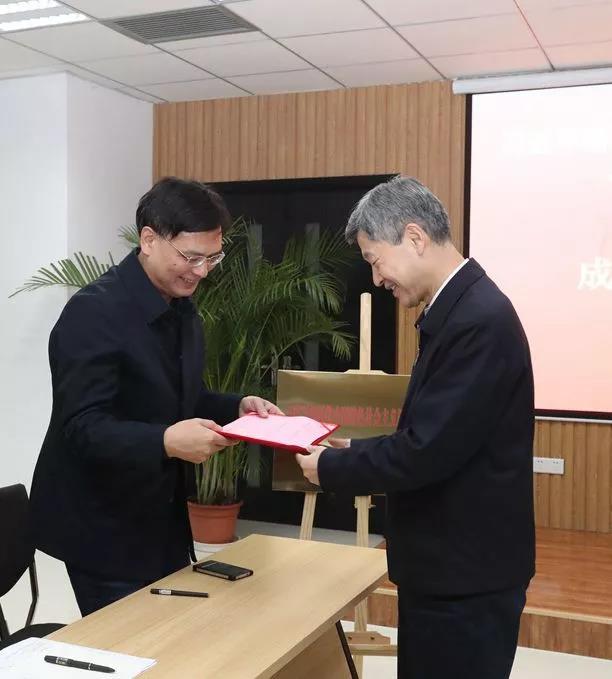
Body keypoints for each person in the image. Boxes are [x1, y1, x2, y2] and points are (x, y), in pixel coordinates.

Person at [296, 176, 535, 679]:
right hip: (450, 568)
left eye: (374, 259)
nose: (376, 279)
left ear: (414, 237)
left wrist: (333, 467)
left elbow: (426, 451)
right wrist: (353, 449)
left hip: (464, 577)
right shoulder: (461, 309)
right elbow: (437, 434)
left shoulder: (477, 321)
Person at [30, 177, 281, 617]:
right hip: (101, 525)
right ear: (148, 240)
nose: (202, 271)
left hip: (159, 517)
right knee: (132, 643)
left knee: (173, 632)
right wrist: (167, 441)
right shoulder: (93, 312)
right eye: (191, 257)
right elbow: (83, 427)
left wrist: (236, 407)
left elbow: (179, 397)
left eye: (212, 258)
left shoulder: (181, 307)